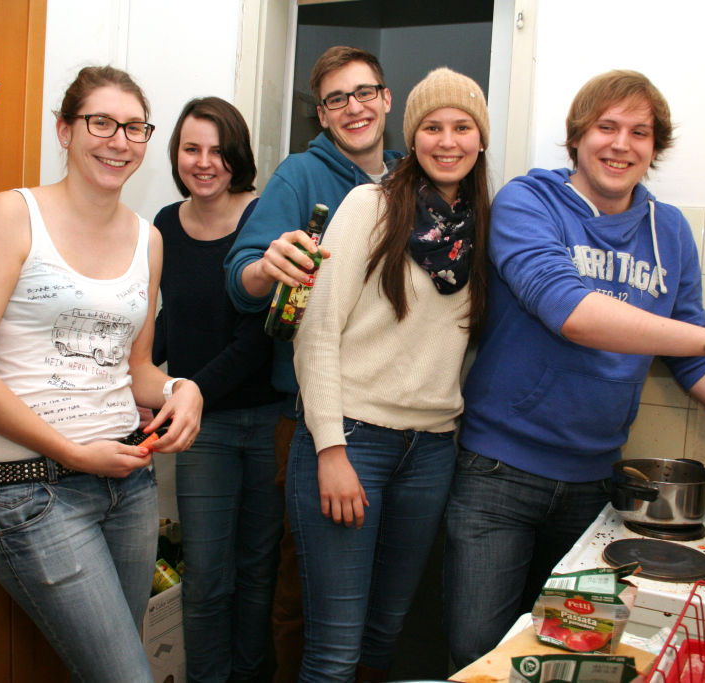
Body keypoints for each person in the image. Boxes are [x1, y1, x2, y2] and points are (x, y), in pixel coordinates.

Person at [443, 69, 705, 668]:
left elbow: (692, 366)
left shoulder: (670, 232)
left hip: (597, 489)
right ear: (577, 137)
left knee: (565, 660)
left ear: (656, 149)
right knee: (479, 654)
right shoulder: (530, 201)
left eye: (640, 132)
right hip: (497, 476)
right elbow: (570, 311)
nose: (621, 144)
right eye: (606, 127)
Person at [0, 65, 203, 683]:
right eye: (101, 122)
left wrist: (178, 389)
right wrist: (74, 453)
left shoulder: (147, 240)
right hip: (30, 489)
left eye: (134, 127)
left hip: (127, 488)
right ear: (65, 130)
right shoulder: (13, 214)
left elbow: (132, 367)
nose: (119, 140)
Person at [289, 67, 491, 682]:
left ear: (480, 140)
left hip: (432, 451)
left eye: (463, 127)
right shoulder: (370, 206)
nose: (447, 141)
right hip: (352, 440)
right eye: (432, 127)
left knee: (385, 635)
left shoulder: (483, 228)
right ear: (413, 134)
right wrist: (330, 448)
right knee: (334, 650)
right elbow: (315, 331)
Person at [223, 45, 402, 682]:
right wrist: (263, 268)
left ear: (386, 98)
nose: (353, 108)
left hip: (400, 424)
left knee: (380, 602)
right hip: (311, 421)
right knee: (307, 596)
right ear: (321, 116)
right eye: (336, 100)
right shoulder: (300, 176)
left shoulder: (413, 176)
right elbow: (239, 274)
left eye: (364, 93)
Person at [151, 96, 283, 683]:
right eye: (190, 149)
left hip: (268, 423)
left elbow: (261, 334)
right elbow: (166, 320)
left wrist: (190, 389)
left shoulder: (263, 216)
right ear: (176, 154)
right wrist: (135, 376)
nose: (204, 163)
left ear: (238, 157)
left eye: (217, 151)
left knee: (258, 575)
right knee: (206, 577)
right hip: (198, 429)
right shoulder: (161, 225)